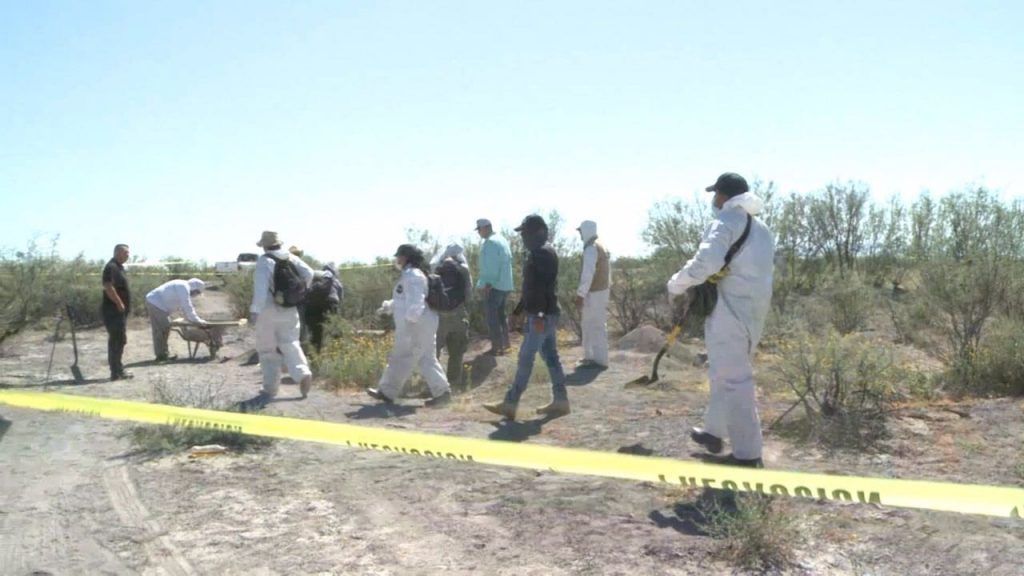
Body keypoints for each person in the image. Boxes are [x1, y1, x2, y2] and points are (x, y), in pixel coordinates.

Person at [666, 172, 775, 468]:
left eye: (716, 195)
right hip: (753, 313)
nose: (714, 200)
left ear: (724, 197)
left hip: (730, 313)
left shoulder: (726, 222)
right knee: (723, 373)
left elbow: (706, 263)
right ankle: (714, 432)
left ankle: (748, 454)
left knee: (734, 380)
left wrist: (676, 285)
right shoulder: (761, 228)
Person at [483, 215, 569, 420]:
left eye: (525, 233)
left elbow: (541, 288)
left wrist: (537, 314)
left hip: (542, 316)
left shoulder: (541, 254)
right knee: (551, 357)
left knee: (525, 358)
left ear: (538, 232)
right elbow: (532, 289)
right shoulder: (542, 252)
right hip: (545, 314)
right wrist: (518, 310)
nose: (523, 237)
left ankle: (510, 403)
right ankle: (561, 400)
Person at [367, 244, 452, 407]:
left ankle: (387, 392)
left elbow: (416, 302)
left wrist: (410, 324)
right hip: (422, 323)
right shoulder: (411, 274)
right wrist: (388, 307)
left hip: (415, 325)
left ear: (406, 258)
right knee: (426, 358)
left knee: (401, 357)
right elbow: (404, 299)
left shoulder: (413, 275)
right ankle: (442, 393)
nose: (397, 259)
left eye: (399, 256)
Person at [250, 231, 315, 399]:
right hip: (290, 308)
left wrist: (255, 312)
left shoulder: (264, 262)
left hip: (268, 310)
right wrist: (298, 293)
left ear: (264, 245)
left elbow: (261, 290)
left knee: (268, 350)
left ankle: (270, 389)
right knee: (291, 343)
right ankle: (303, 373)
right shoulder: (291, 258)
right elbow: (309, 273)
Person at [433, 243, 473, 389]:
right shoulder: (463, 269)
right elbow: (469, 293)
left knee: (434, 352)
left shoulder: (437, 267)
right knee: (456, 351)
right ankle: (453, 384)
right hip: (458, 313)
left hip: (438, 315)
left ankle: (435, 385)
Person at [574, 220, 611, 370]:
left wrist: (580, 294)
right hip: (600, 291)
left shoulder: (591, 248)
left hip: (594, 292)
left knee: (594, 325)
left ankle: (599, 360)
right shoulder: (601, 246)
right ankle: (591, 357)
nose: (580, 235)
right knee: (591, 324)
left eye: (581, 231)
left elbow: (587, 274)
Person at [475, 218, 514, 355]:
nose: (479, 233)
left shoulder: (490, 242)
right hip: (505, 284)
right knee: (501, 316)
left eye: (479, 229)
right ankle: (505, 345)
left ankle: (497, 347)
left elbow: (491, 267)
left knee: (493, 317)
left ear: (485, 228)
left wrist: (486, 284)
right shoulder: (502, 239)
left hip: (494, 286)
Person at [144, 278, 207, 362]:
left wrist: (191, 318)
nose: (195, 295)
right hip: (155, 303)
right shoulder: (183, 287)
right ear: (194, 288)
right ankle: (161, 357)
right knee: (162, 329)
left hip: (157, 304)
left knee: (164, 329)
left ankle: (163, 354)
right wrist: (198, 321)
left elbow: (183, 308)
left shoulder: (183, 286)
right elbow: (187, 306)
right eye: (197, 292)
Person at [101, 244, 133, 381]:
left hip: (118, 312)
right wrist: (119, 303)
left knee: (119, 341)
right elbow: (108, 286)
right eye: (125, 252)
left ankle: (117, 370)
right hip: (112, 311)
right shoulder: (111, 267)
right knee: (116, 341)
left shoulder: (119, 268)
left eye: (128, 253)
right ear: (117, 252)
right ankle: (116, 372)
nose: (128, 255)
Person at [305, 263, 344, 353]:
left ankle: (314, 355)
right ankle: (336, 352)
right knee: (335, 329)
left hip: (312, 307)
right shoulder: (336, 282)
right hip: (330, 305)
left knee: (316, 332)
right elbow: (340, 298)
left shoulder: (314, 279)